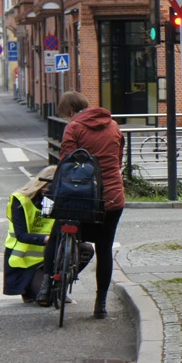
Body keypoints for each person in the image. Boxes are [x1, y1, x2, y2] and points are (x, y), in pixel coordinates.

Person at [54, 91, 126, 319]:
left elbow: (67, 162)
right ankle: (100, 304)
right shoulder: (113, 125)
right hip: (111, 197)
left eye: (66, 115)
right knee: (104, 249)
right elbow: (118, 160)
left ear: (71, 111)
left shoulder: (74, 127)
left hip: (82, 198)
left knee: (59, 231)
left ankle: (48, 286)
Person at [4, 165, 57, 303]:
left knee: (85, 250)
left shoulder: (58, 199)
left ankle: (58, 287)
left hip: (49, 257)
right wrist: (49, 239)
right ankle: (29, 288)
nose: (49, 191)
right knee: (46, 300)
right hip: (25, 261)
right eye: (48, 187)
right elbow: (21, 235)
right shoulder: (21, 199)